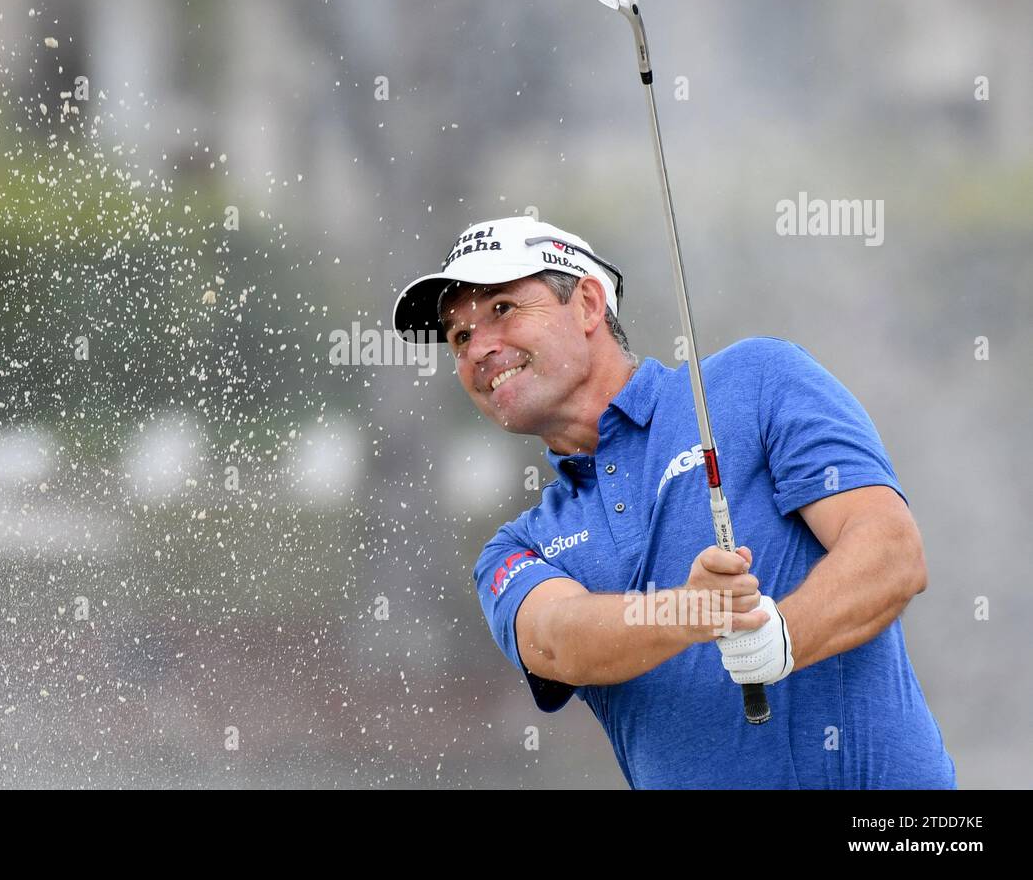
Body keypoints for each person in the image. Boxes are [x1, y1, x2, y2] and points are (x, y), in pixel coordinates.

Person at [393, 215, 956, 788]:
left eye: (503, 310)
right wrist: (687, 610)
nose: (479, 348)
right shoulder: (518, 546)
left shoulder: (756, 379)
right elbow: (557, 640)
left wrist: (783, 637)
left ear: (588, 304)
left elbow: (891, 552)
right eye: (460, 337)